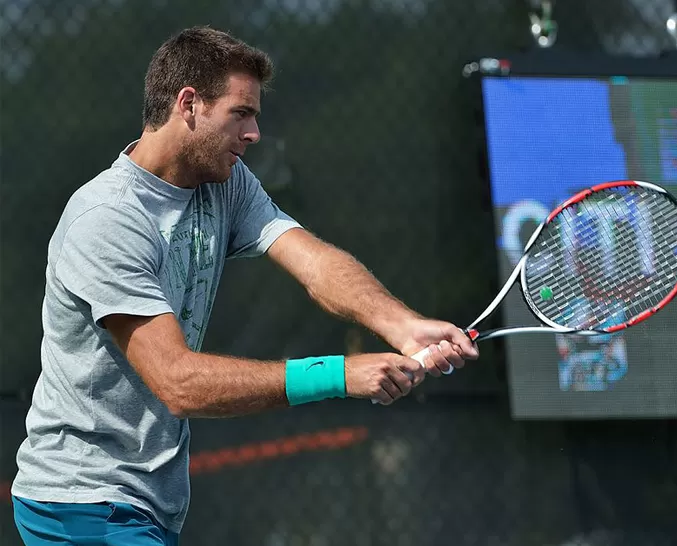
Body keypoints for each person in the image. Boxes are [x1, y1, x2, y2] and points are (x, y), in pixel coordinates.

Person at [10, 26, 478, 546]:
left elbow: (314, 263)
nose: (254, 132)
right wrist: (338, 373)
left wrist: (404, 326)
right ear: (189, 105)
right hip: (83, 503)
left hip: (146, 504)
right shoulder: (108, 219)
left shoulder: (225, 184)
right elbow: (178, 382)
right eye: (241, 113)